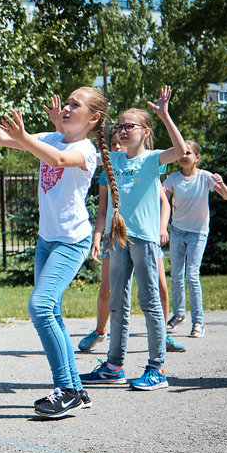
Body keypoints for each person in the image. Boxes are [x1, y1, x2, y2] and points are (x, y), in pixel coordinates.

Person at [0, 81, 103, 418]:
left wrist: (25, 139)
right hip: (47, 239)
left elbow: (61, 159)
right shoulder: (52, 137)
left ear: (93, 118)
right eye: (66, 102)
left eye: (75, 105)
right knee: (52, 313)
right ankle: (76, 389)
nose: (66, 107)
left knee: (40, 306)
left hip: (71, 239)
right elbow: (2, 138)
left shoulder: (86, 151)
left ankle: (65, 389)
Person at [80, 86, 187, 391]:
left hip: (143, 240)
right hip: (118, 240)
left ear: (145, 131)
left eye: (130, 126)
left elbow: (179, 151)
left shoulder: (153, 159)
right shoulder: (113, 160)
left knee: (150, 302)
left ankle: (157, 368)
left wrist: (165, 115)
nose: (123, 130)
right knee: (117, 302)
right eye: (120, 126)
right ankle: (114, 366)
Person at [163, 140, 227, 337]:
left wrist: (221, 184)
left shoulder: (205, 177)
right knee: (176, 276)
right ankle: (178, 315)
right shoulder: (173, 178)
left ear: (197, 157)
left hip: (198, 232)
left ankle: (198, 322)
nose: (184, 156)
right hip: (177, 230)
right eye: (181, 153)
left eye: (188, 153)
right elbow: (162, 199)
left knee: (191, 276)